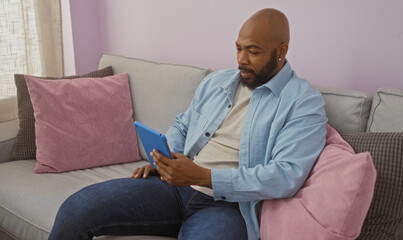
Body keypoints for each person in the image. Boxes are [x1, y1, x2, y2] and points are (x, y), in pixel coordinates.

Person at [49, 8, 327, 240]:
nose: (241, 59)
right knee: (75, 210)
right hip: (174, 187)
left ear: (281, 51)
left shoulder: (303, 103)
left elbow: (285, 176)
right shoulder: (217, 82)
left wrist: (200, 176)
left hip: (228, 207)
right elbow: (183, 125)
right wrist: (165, 160)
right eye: (239, 49)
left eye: (253, 52)